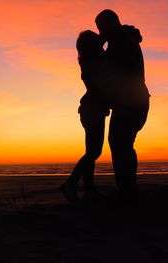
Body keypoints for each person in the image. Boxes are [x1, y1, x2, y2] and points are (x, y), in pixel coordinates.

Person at [95, 10, 150, 201]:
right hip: (136, 100)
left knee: (120, 144)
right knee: (123, 144)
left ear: (110, 24)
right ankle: (128, 189)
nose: (100, 32)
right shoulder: (124, 38)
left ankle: (127, 192)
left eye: (101, 28)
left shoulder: (120, 42)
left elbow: (114, 75)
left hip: (131, 102)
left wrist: (99, 49)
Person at [60, 30, 109, 203]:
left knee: (91, 151)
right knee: (95, 151)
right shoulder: (93, 62)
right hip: (92, 110)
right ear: (91, 46)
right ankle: (71, 183)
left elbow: (101, 40)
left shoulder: (89, 60)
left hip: (91, 110)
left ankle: (89, 189)